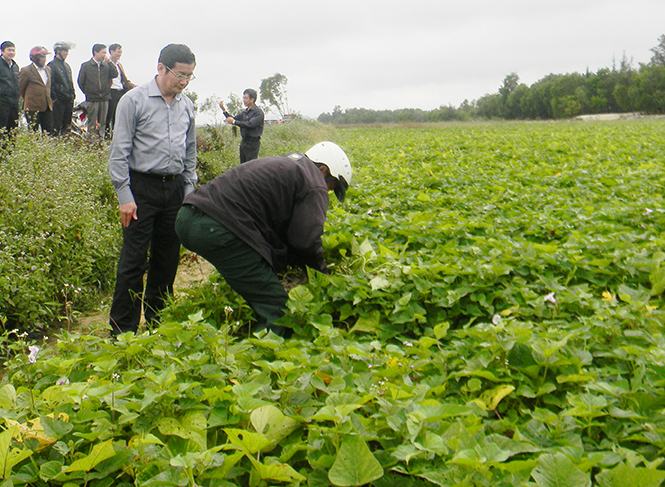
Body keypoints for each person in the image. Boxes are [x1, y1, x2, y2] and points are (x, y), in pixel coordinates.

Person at [175, 141, 352, 335]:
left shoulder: (289, 165)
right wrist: (322, 277)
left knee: (259, 283)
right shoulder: (313, 181)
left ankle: (245, 329)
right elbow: (305, 241)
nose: (326, 192)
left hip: (190, 216)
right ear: (323, 171)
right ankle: (260, 354)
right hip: (215, 227)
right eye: (331, 186)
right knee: (279, 311)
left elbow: (282, 231)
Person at [108, 43, 197, 336]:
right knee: (133, 261)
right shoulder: (134, 101)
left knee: (167, 259)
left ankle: (159, 324)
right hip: (141, 189)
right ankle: (123, 332)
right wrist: (125, 197)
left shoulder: (186, 105)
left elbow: (190, 151)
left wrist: (189, 191)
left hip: (173, 190)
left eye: (189, 76)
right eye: (180, 75)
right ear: (161, 68)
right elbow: (119, 153)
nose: (183, 82)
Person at [77, 44, 117, 139]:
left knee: (102, 122)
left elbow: (115, 74)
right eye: (103, 52)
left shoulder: (106, 66)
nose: (105, 55)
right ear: (96, 53)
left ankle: (101, 140)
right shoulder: (86, 66)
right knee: (92, 122)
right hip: (92, 99)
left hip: (104, 97)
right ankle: (92, 142)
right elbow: (81, 81)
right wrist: (89, 92)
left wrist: (110, 63)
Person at [220, 88, 264, 163]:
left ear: (252, 99)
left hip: (253, 143)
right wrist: (224, 111)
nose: (244, 100)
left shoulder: (258, 112)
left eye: (246, 98)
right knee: (243, 165)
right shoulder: (244, 112)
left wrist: (234, 122)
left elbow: (250, 124)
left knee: (250, 165)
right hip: (244, 142)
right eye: (243, 98)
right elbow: (233, 119)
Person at [19, 46, 54, 135]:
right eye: (42, 57)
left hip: (47, 106)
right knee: (33, 132)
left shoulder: (48, 70)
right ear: (34, 58)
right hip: (32, 107)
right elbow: (20, 88)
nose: (44, 59)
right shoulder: (26, 70)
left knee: (48, 132)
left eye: (45, 57)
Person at [105, 43, 136, 138]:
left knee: (118, 115)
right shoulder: (106, 63)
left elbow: (124, 80)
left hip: (120, 91)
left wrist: (133, 86)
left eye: (121, 52)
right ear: (111, 52)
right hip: (111, 91)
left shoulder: (119, 65)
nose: (119, 54)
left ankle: (115, 135)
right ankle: (106, 134)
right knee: (109, 115)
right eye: (118, 52)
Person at [48, 41, 76, 136]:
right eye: (65, 50)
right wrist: (55, 98)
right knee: (56, 126)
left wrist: (73, 95)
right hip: (58, 102)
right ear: (58, 51)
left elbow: (70, 82)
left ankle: (65, 146)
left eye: (67, 51)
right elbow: (50, 84)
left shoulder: (66, 66)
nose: (66, 53)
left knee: (67, 126)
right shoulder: (51, 65)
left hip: (68, 100)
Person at [0, 41, 20, 145]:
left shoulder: (15, 66)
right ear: (2, 51)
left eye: (13, 50)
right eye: (9, 50)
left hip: (14, 103)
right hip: (3, 103)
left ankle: (10, 154)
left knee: (12, 129)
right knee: (2, 129)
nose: (11, 52)